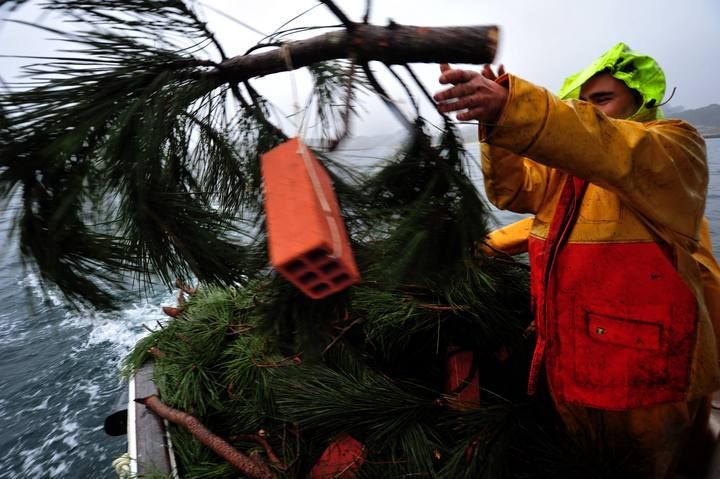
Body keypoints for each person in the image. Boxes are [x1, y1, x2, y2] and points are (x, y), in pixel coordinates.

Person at [434, 42, 720, 478]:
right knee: (586, 461)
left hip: (649, 378)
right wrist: (496, 123)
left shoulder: (675, 149)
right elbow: (512, 193)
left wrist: (515, 104)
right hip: (572, 366)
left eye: (603, 99)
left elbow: (609, 147)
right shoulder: (570, 175)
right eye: (583, 103)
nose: (592, 111)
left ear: (640, 98)